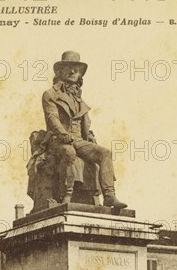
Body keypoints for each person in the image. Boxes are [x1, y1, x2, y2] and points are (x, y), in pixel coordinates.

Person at [42, 51, 127, 209]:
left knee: (105, 153)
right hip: (58, 140)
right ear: (60, 71)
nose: (73, 71)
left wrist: (89, 137)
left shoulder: (81, 100)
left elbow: (84, 126)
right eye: (69, 67)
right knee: (69, 152)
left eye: (77, 69)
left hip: (79, 140)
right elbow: (52, 118)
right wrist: (63, 133)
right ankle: (66, 196)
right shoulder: (50, 94)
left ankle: (109, 196)